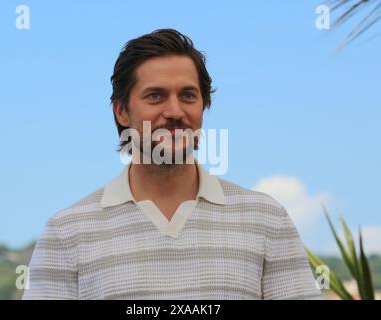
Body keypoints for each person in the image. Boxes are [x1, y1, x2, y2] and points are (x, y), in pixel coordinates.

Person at [23, 28, 322, 300]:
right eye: (155, 96)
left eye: (188, 95)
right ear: (122, 112)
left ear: (203, 106)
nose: (175, 111)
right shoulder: (66, 232)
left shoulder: (267, 220)